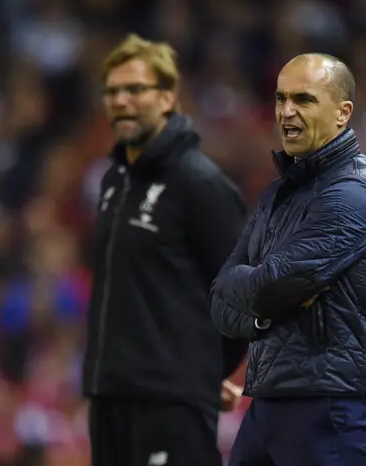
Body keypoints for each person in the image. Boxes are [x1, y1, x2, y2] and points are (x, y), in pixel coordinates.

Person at [210, 53, 366, 466]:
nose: (286, 111)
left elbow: (271, 286)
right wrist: (260, 313)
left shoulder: (354, 193)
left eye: (304, 100)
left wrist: (258, 291)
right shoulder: (279, 193)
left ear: (342, 113)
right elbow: (222, 293)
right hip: (269, 400)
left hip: (328, 406)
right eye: (280, 98)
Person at [82, 34, 247, 466]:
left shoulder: (199, 183)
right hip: (110, 397)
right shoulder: (113, 183)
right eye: (112, 91)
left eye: (135, 89)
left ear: (168, 97)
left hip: (170, 403)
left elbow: (241, 296)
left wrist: (202, 372)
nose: (121, 101)